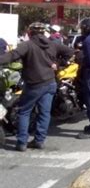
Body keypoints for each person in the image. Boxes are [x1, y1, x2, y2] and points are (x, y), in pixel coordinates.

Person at [0, 22, 74, 151]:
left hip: (34, 84)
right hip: (50, 82)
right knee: (44, 113)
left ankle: (22, 143)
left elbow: (12, 56)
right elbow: (69, 51)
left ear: (30, 33)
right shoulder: (52, 44)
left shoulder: (27, 45)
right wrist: (58, 63)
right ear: (43, 32)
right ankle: (39, 141)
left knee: (24, 112)